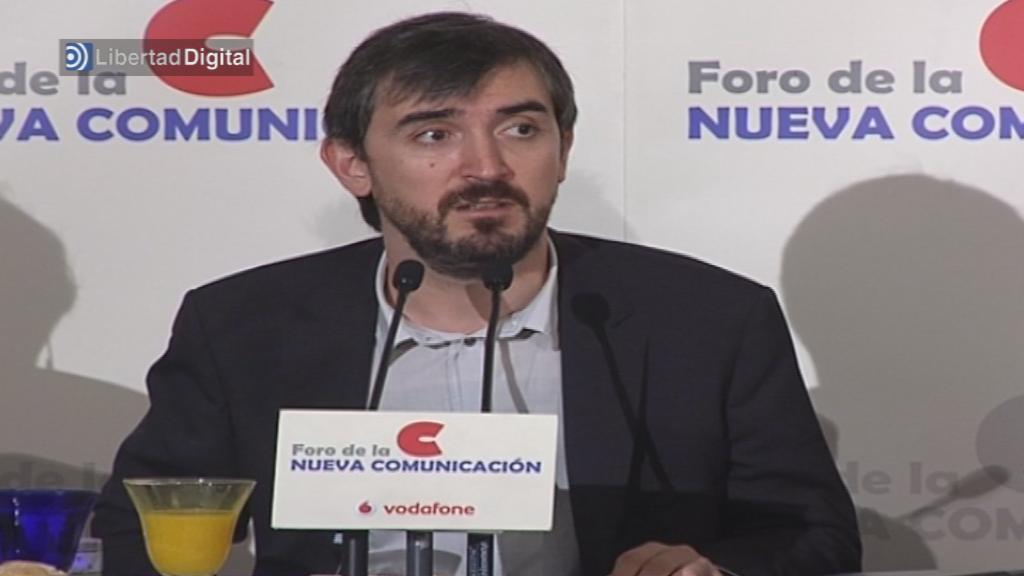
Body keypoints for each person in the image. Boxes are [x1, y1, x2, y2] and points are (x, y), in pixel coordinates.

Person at [92, 12, 861, 576]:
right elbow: (137, 529)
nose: (486, 167)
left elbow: (815, 538)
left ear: (563, 149)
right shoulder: (244, 325)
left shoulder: (708, 319)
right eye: (434, 134)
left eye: (521, 130)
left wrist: (712, 568)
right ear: (352, 164)